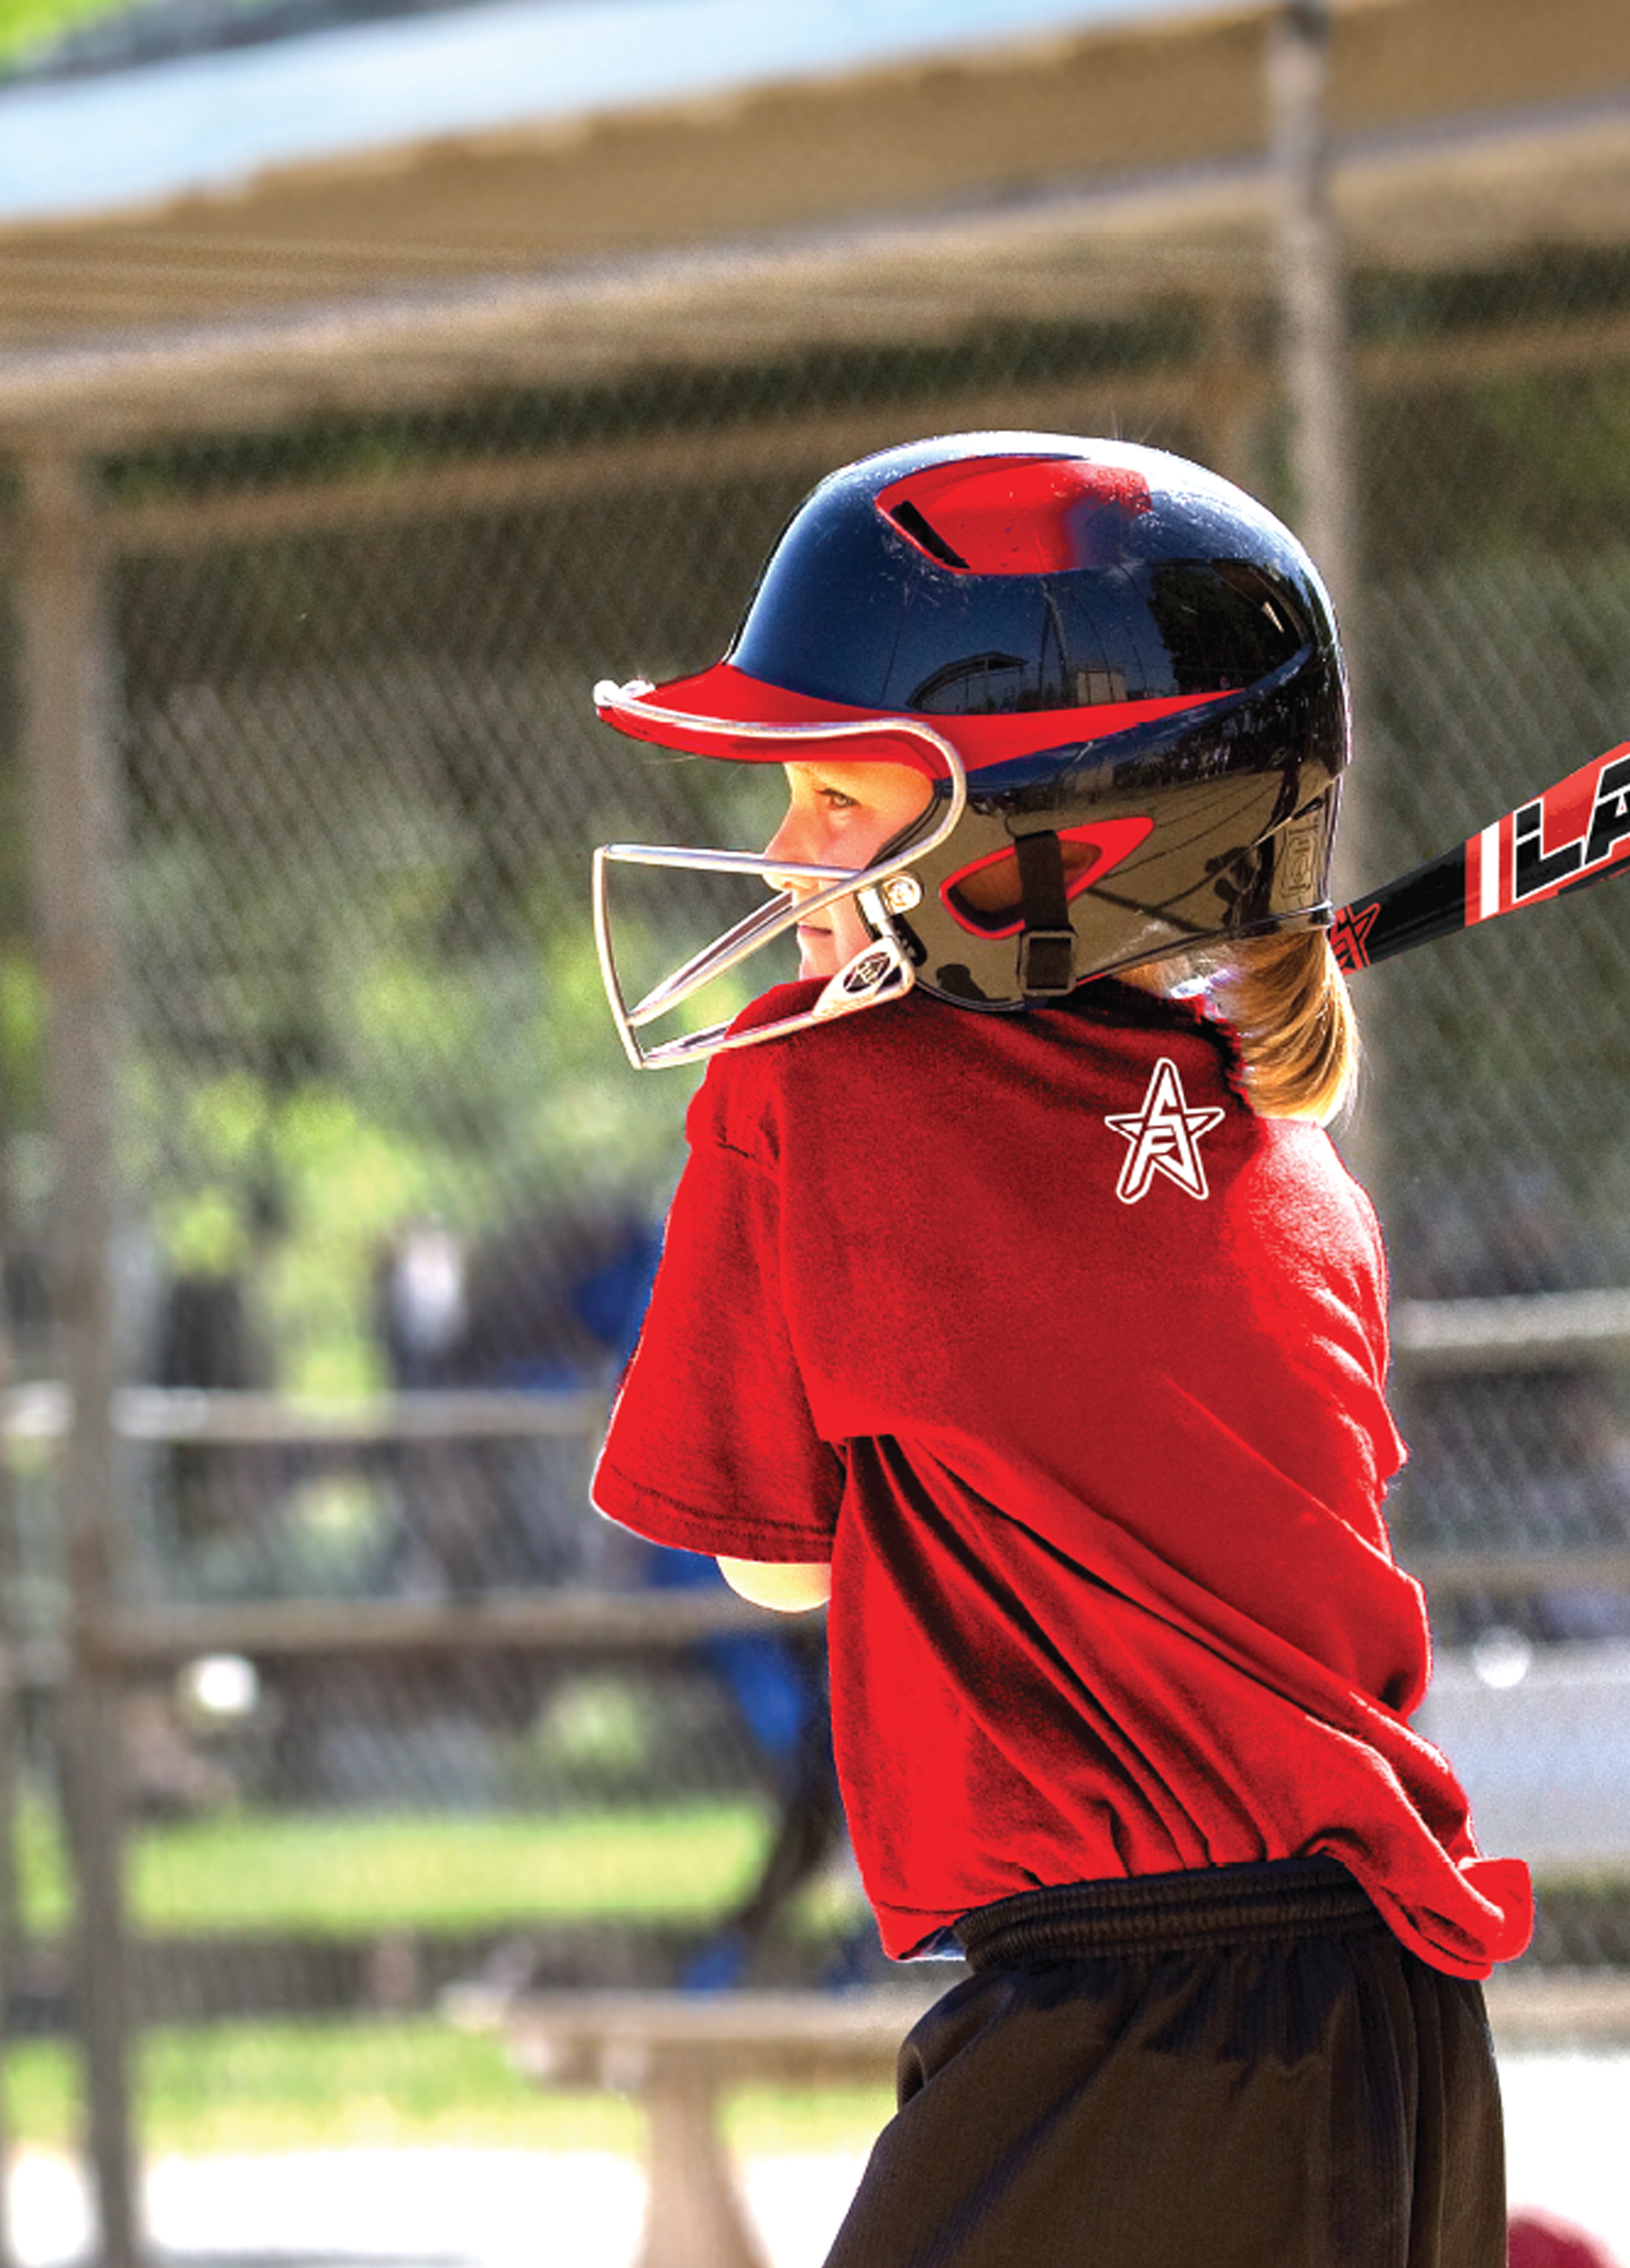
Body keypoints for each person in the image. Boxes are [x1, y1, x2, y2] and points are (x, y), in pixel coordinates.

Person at [583, 433, 1533, 2268]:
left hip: (1142, 2036)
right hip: (1400, 2030)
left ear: (1052, 836)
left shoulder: (813, 1086)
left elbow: (772, 1563)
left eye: (839, 802)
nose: (782, 855)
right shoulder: (1289, 1154)